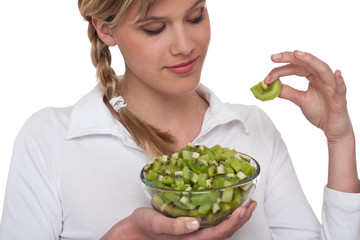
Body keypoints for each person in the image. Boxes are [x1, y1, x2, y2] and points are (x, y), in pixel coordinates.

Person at [0, 0, 359, 239]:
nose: (185, 45)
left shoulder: (252, 127)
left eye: (195, 16)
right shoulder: (49, 139)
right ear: (105, 30)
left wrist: (339, 140)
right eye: (155, 28)